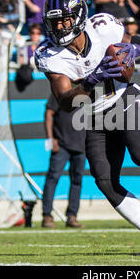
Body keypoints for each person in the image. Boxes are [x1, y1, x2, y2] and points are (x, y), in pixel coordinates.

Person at [34, 0, 140, 255]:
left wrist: (137, 48)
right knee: (104, 180)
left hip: (124, 100)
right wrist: (90, 81)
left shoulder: (103, 28)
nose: (58, 26)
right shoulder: (50, 54)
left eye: (63, 20)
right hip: (92, 115)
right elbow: (67, 102)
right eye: (54, 21)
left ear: (78, 17)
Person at [42, 93, 86, 229]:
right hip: (61, 145)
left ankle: (72, 216)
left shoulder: (90, 93)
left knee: (77, 181)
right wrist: (50, 139)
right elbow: (49, 114)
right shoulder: (61, 91)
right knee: (52, 178)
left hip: (81, 146)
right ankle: (47, 216)